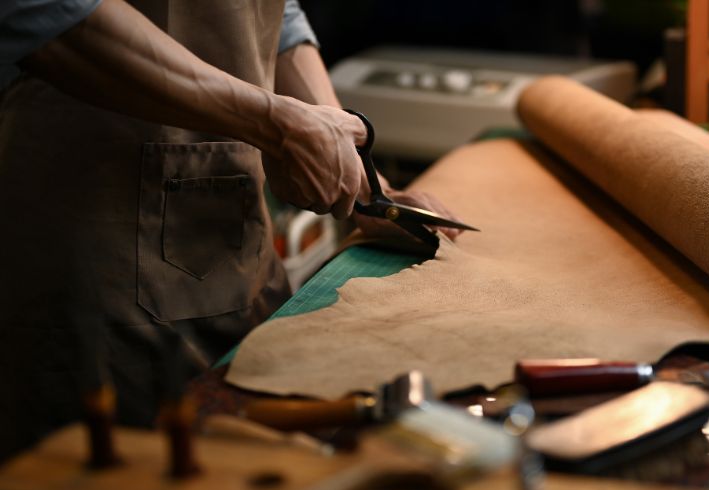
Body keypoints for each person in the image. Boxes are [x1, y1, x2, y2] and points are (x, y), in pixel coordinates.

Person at [0, 0, 461, 458]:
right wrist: (272, 122)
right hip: (95, 234)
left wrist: (360, 174)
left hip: (234, 235)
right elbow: (45, 11)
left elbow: (274, 16)